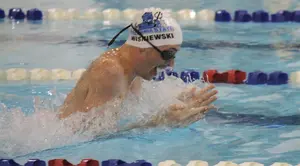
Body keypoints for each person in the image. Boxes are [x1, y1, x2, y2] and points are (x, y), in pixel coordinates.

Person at [58, 9, 218, 131]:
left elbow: (131, 113)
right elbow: (87, 135)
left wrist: (177, 102)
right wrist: (159, 123)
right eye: (168, 54)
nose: (171, 65)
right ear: (143, 48)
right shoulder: (111, 71)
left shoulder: (135, 71)